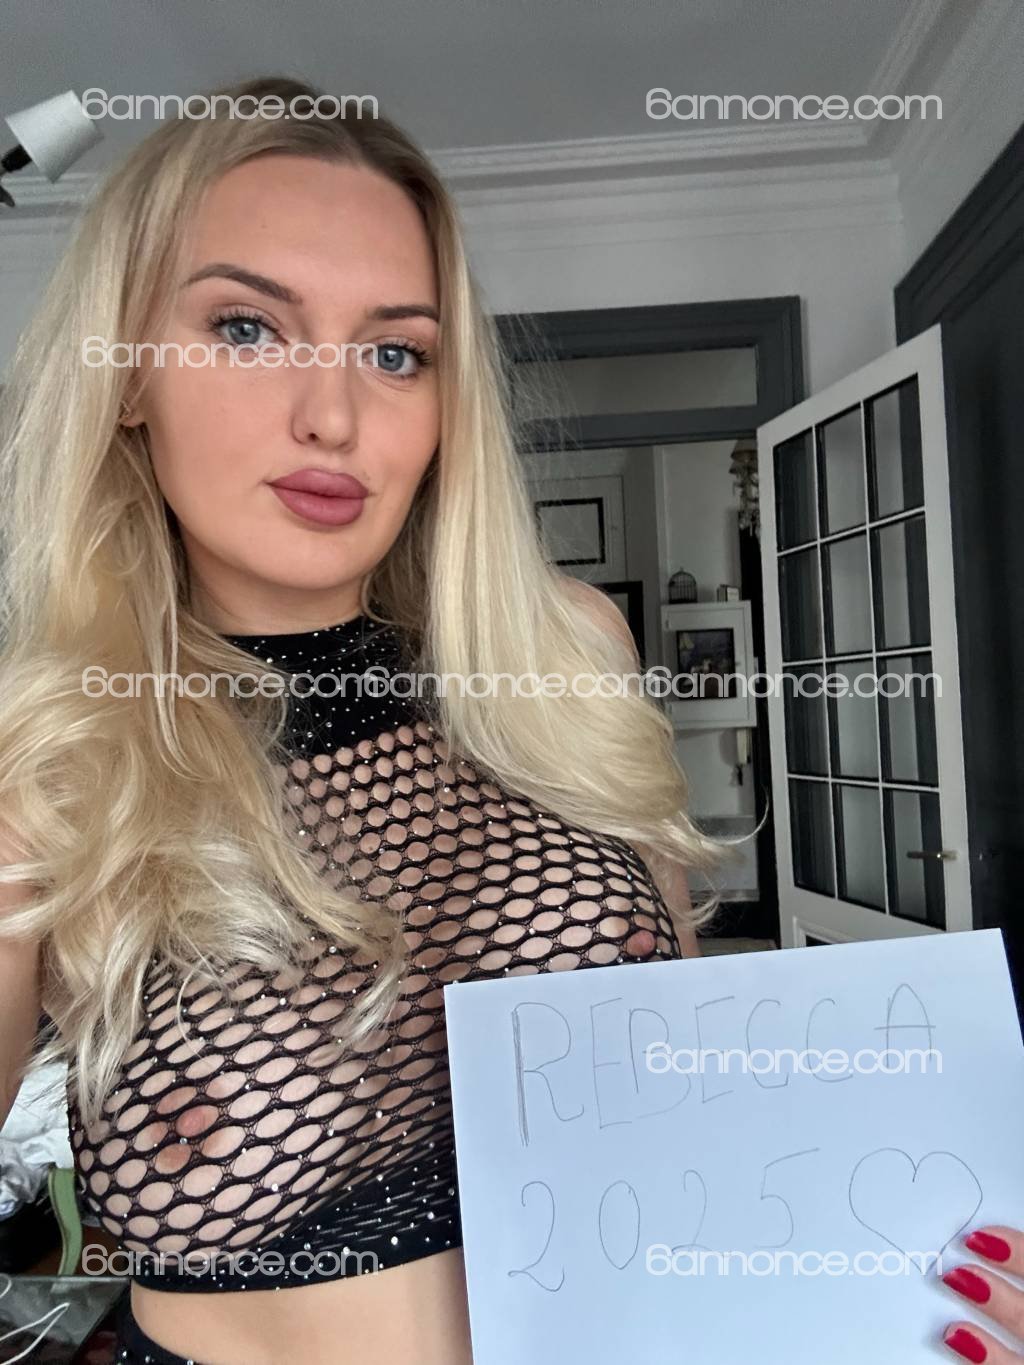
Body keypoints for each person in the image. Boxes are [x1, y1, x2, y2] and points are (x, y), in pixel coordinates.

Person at [0, 75, 1018, 1365]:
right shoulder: (46, 751)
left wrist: (914, 1291)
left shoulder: (569, 652)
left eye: (395, 352)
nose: (333, 415)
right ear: (128, 376)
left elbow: (696, 1102)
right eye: (247, 329)